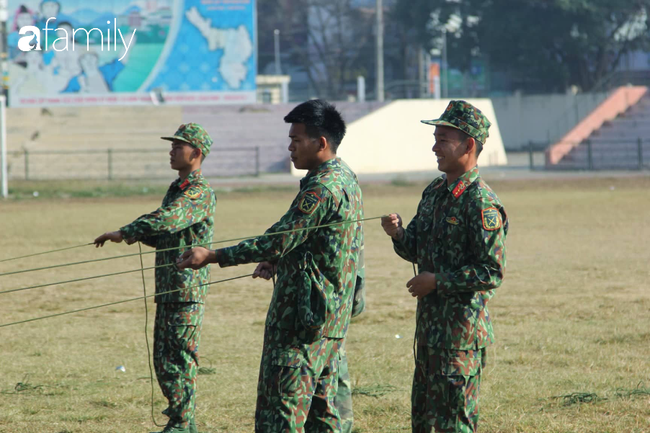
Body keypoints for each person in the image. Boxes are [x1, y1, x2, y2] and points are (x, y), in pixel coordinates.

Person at [177, 99, 364, 433]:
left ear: (320, 143)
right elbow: (319, 243)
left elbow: (278, 238)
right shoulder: (345, 177)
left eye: (296, 139)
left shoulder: (322, 188)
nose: (289, 146)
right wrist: (279, 258)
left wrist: (214, 255)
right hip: (328, 320)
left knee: (280, 415)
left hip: (301, 324)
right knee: (324, 418)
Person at [380, 100, 508, 433]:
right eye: (435, 138)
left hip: (459, 339)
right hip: (429, 333)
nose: (434, 147)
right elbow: (416, 249)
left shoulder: (481, 202)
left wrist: (437, 281)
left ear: (468, 145)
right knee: (423, 421)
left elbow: (491, 272)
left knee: (454, 424)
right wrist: (397, 233)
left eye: (443, 139)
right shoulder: (435, 192)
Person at [94, 123, 217, 433]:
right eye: (172, 145)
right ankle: (178, 420)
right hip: (168, 290)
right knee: (163, 359)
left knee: (179, 359)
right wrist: (132, 237)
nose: (172, 150)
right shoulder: (177, 189)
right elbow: (167, 236)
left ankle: (183, 423)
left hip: (186, 290)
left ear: (196, 153)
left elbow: (167, 220)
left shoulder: (199, 192)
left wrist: (126, 232)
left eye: (179, 146)